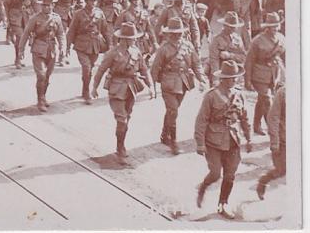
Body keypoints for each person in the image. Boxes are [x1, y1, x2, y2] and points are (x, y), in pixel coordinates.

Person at [194, 61, 252, 219]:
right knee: (215, 174)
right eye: (231, 78)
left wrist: (249, 137)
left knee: (230, 176)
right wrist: (200, 143)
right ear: (223, 79)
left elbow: (245, 118)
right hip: (213, 141)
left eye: (236, 77)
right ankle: (203, 188)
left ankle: (223, 204)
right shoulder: (211, 96)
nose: (235, 80)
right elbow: (201, 120)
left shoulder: (239, 95)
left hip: (233, 140)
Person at [92, 22, 155, 161]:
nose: (134, 40)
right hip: (116, 88)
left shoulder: (136, 52)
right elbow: (101, 70)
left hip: (131, 89)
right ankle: (120, 148)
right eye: (132, 38)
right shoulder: (112, 53)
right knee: (122, 120)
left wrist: (151, 87)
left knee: (127, 118)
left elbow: (144, 69)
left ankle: (121, 143)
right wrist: (94, 87)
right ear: (125, 39)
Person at [149, 17, 207, 155]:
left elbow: (196, 63)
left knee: (172, 111)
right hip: (168, 83)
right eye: (175, 33)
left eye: (180, 32)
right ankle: (173, 141)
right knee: (173, 110)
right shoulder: (164, 49)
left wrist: (202, 79)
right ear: (169, 34)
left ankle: (164, 133)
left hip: (183, 82)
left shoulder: (188, 46)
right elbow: (155, 68)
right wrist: (153, 87)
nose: (177, 35)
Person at [18, 0, 66, 112]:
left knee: (47, 76)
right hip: (38, 49)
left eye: (49, 6)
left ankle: (43, 96)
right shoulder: (35, 18)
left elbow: (61, 34)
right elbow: (25, 34)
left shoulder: (57, 18)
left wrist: (62, 48)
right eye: (45, 5)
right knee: (41, 75)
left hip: (52, 50)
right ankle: (40, 100)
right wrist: (21, 50)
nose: (47, 8)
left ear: (53, 6)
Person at [245, 12, 286, 136]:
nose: (275, 28)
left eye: (277, 25)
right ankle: (275, 131)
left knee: (262, 100)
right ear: (267, 27)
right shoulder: (257, 41)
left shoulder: (281, 38)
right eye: (272, 26)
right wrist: (247, 80)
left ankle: (256, 125)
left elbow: (283, 56)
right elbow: (249, 61)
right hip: (259, 75)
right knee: (267, 100)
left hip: (275, 74)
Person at [67, 0, 112, 103]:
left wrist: (110, 45)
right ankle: (87, 93)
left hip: (95, 45)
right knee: (86, 67)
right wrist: (67, 47)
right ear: (86, 1)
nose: (93, 3)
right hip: (81, 45)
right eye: (91, 1)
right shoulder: (78, 14)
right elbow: (71, 31)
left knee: (90, 69)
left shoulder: (99, 13)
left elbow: (105, 30)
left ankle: (84, 89)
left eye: (95, 1)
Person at [257, 84, 286, 200]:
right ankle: (263, 181)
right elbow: (273, 117)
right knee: (282, 170)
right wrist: (275, 142)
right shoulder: (283, 93)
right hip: (285, 139)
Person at [4, 0, 37, 68]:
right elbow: (6, 4)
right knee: (20, 36)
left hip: (26, 16)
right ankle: (18, 59)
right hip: (15, 16)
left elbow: (34, 3)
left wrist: (38, 15)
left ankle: (20, 56)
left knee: (25, 37)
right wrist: (7, 19)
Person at [208, 11, 247, 83]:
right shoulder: (217, 39)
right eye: (230, 27)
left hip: (234, 74)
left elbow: (243, 57)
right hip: (220, 72)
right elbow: (214, 60)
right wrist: (216, 79)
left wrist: (230, 55)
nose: (233, 29)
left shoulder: (237, 39)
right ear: (224, 26)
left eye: (234, 27)